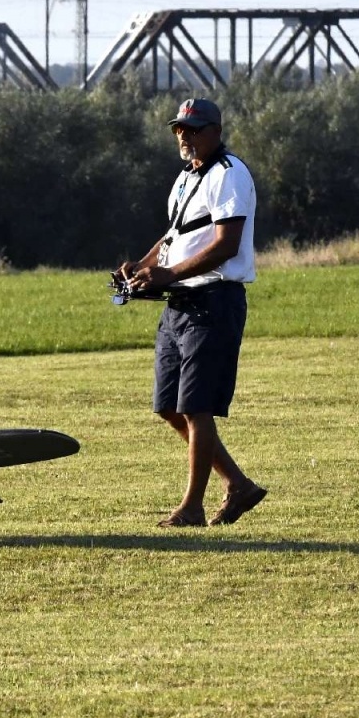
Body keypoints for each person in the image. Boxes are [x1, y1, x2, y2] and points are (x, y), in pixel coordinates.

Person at [118, 97, 268, 528]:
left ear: (215, 131)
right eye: (179, 128)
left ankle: (192, 508)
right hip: (180, 305)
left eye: (194, 128)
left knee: (197, 408)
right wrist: (143, 267)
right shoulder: (186, 177)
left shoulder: (229, 175)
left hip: (214, 301)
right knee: (169, 406)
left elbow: (226, 245)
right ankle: (238, 484)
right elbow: (173, 237)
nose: (184, 135)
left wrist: (166, 276)